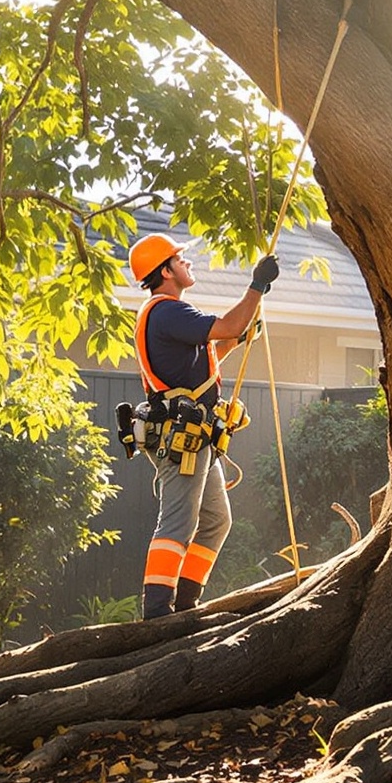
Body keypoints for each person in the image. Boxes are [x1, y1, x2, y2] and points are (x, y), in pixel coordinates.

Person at [128, 231, 277, 618]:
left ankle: (187, 603)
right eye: (180, 259)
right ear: (165, 270)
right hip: (182, 438)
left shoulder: (165, 314)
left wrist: (241, 336)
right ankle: (158, 613)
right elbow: (226, 326)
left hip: (192, 438)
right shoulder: (167, 311)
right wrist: (256, 286)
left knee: (215, 520)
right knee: (178, 522)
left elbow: (213, 350)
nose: (187, 263)